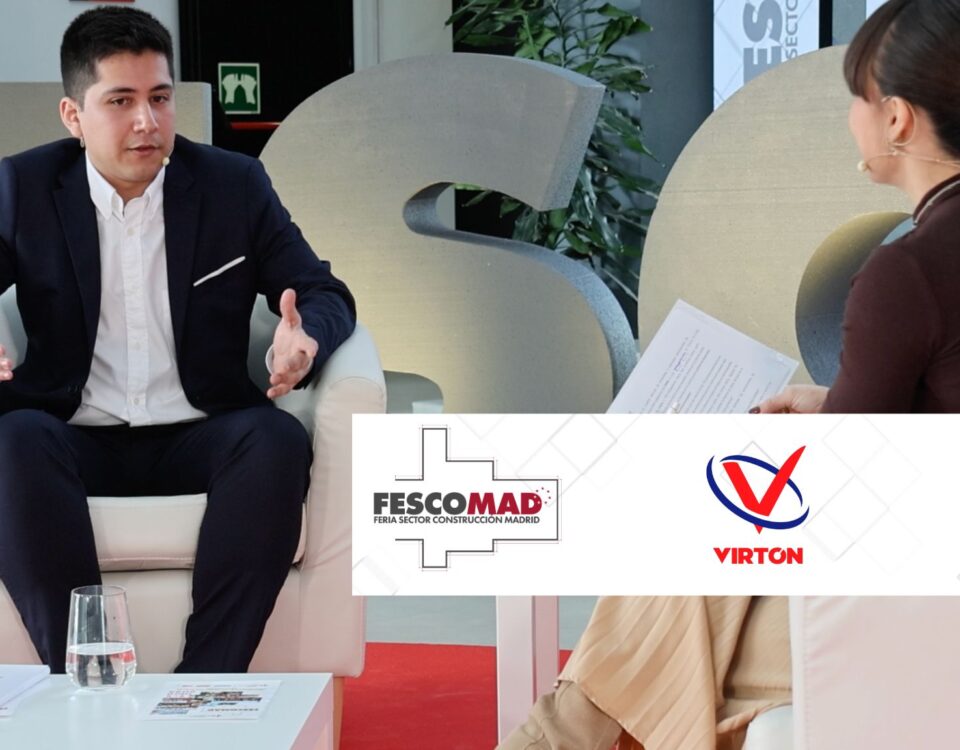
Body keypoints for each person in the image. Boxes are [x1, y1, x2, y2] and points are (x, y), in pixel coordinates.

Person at [498, 0, 960, 747]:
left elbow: (839, 501)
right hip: (927, 559)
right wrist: (834, 406)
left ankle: (554, 735)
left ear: (899, 120)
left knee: (673, 619)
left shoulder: (905, 272)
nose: (851, 117)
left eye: (858, 98)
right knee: (683, 595)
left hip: (914, 599)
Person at [0, 6, 355, 673]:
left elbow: (320, 290)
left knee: (275, 439)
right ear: (73, 116)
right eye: (120, 101)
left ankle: (202, 686)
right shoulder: (24, 186)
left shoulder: (231, 184)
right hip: (74, 433)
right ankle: (86, 674)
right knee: (12, 438)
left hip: (201, 430)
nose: (147, 121)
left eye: (160, 98)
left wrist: (304, 339)